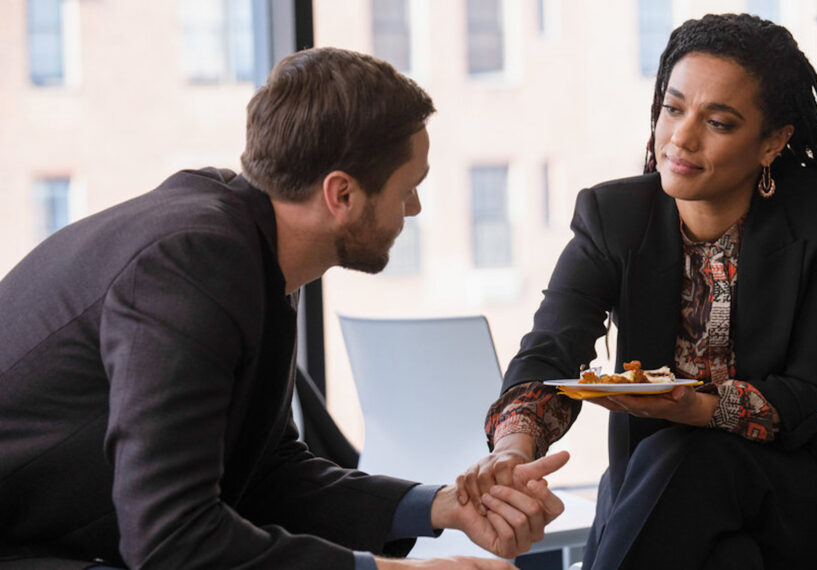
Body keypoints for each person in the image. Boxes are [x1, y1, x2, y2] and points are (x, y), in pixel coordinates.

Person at [0, 47, 568, 570]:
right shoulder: (192, 264)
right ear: (341, 195)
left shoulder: (246, 246)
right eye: (408, 187)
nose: (414, 208)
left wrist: (443, 507)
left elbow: (267, 471)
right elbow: (171, 540)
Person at [458, 13, 817, 569]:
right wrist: (514, 450)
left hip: (803, 490)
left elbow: (811, 394)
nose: (682, 137)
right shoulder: (613, 216)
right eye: (673, 109)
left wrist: (694, 409)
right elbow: (550, 352)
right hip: (666, 497)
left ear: (773, 142)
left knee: (684, 453)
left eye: (718, 122)